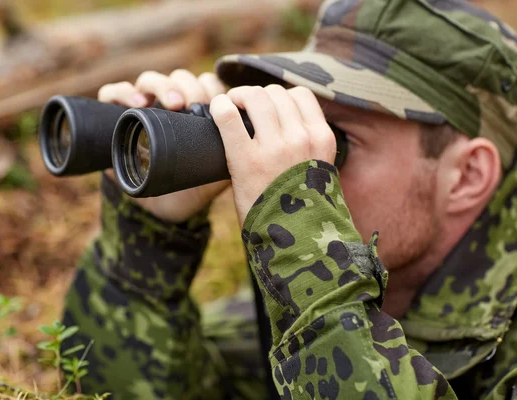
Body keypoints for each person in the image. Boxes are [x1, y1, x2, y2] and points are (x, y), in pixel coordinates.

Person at [60, 0, 517, 398]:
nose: (300, 161)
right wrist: (144, 252)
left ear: (466, 177)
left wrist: (310, 269)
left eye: (335, 141)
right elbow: (106, 384)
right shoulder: (297, 309)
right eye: (298, 122)